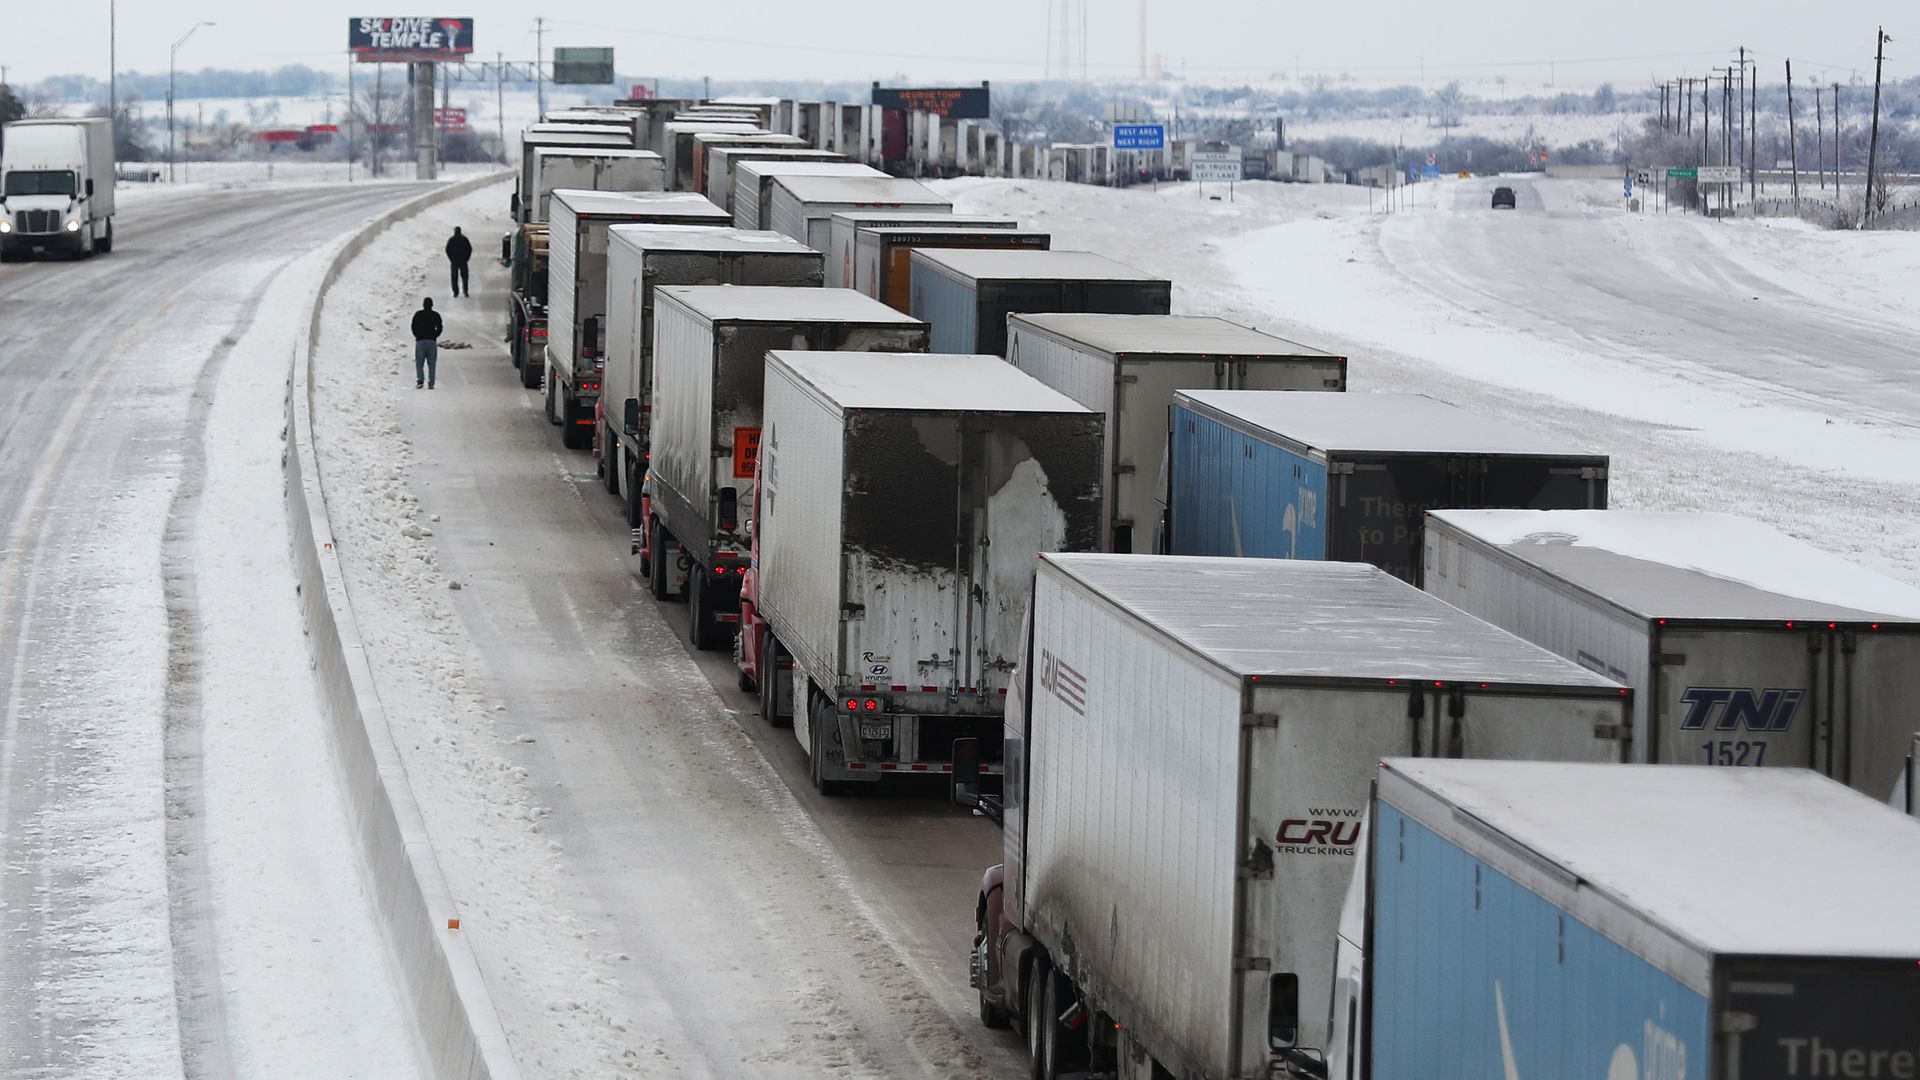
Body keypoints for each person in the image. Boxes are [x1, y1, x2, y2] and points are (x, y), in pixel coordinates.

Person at [411, 297, 443, 389]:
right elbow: (440, 327)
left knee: (419, 362)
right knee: (432, 363)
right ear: (432, 305)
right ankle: (431, 382)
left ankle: (420, 381)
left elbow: (413, 326)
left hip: (420, 341)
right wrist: (435, 335)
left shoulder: (418, 314)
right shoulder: (436, 315)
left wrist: (417, 335)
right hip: (432, 341)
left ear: (423, 305)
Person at [445, 226, 473, 297]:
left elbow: (447, 250)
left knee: (454, 277)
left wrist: (451, 259)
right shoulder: (464, 239)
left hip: (454, 261)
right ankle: (465, 291)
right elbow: (469, 249)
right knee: (465, 277)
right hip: (463, 261)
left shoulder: (451, 240)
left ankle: (455, 291)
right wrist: (467, 258)